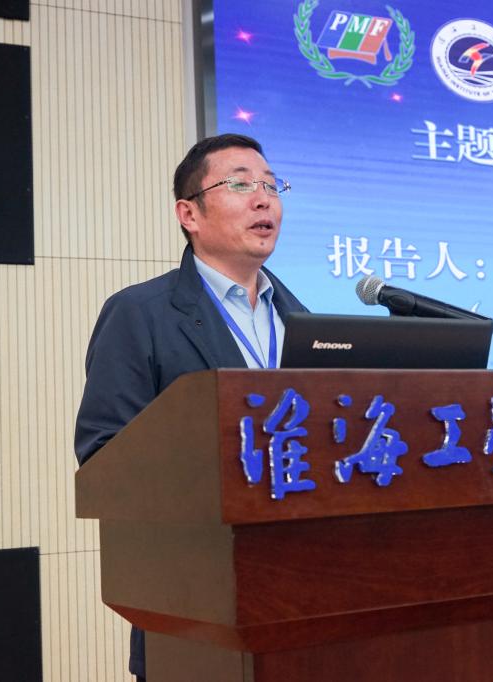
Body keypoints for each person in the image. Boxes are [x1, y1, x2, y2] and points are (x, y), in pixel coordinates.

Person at [74, 133, 308, 679]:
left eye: (272, 185)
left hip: (303, 605)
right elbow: (105, 456)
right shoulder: (140, 313)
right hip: (194, 610)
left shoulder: (301, 319)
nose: (264, 199)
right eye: (241, 184)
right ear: (189, 214)